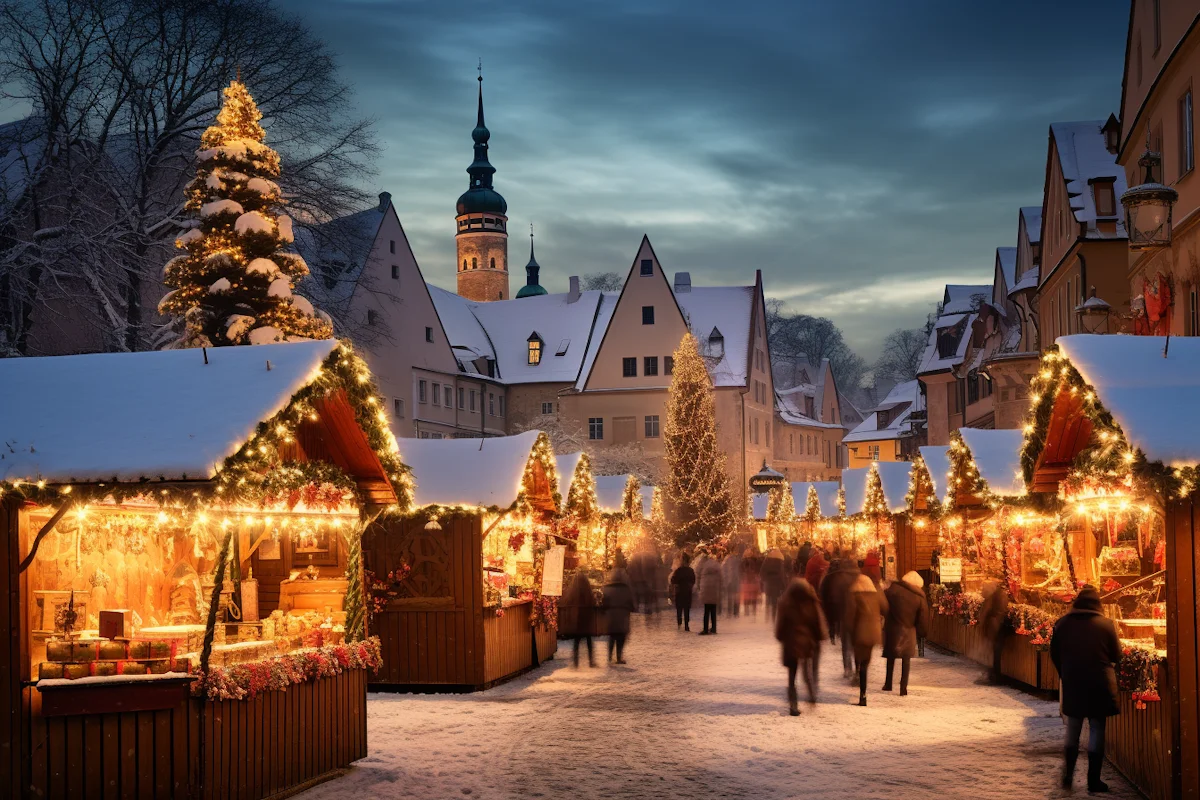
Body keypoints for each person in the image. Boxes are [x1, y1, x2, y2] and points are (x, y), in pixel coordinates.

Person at [1051, 586, 1121, 793]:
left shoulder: (1062, 624)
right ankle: (1094, 780)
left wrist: (1066, 673)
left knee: (1073, 730)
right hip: (1100, 684)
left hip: (1074, 683)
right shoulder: (1106, 625)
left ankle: (1067, 776)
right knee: (1097, 729)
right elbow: (1116, 655)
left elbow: (1054, 654)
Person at [774, 577, 828, 716]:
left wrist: (781, 637)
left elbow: (780, 625)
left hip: (791, 643)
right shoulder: (811, 602)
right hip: (807, 642)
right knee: (807, 670)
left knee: (792, 676)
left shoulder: (785, 603)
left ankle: (793, 704)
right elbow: (817, 622)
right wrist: (819, 637)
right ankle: (812, 695)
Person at [882, 571, 929, 696]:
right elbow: (922, 617)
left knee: (890, 657)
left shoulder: (891, 591)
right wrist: (922, 632)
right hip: (909, 630)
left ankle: (888, 683)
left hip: (892, 628)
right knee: (906, 659)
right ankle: (903, 688)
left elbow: (883, 606)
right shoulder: (919, 597)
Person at [844, 573, 887, 706]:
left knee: (862, 664)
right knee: (865, 663)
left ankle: (863, 695)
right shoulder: (877, 594)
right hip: (873, 633)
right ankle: (863, 692)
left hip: (859, 634)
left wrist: (850, 633)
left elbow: (849, 619)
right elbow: (886, 607)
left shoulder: (854, 596)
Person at [820, 555, 861, 679]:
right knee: (857, 643)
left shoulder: (837, 578)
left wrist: (831, 621)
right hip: (859, 615)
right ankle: (858, 669)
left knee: (846, 644)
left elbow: (831, 599)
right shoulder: (860, 577)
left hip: (844, 615)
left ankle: (847, 668)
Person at [559, 572, 597, 668]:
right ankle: (591, 661)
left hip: (578, 618)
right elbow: (592, 602)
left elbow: (568, 601)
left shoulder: (574, 591)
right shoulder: (587, 590)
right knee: (588, 641)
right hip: (586, 618)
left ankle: (576, 662)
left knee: (577, 641)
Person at [601, 568, 636, 664]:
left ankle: (609, 656)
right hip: (623, 615)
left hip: (611, 615)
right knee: (621, 636)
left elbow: (604, 602)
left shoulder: (606, 588)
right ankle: (619, 657)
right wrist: (631, 608)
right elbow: (631, 602)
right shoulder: (626, 588)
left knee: (612, 636)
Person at [979, 580, 1010, 684]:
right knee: (995, 652)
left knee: (993, 652)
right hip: (998, 626)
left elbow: (985, 612)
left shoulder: (992, 597)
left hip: (994, 627)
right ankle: (994, 675)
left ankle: (994, 675)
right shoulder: (1001, 594)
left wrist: (981, 624)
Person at [669, 552, 696, 630]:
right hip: (688, 591)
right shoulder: (690, 570)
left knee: (679, 608)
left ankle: (679, 623)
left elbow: (672, 580)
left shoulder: (678, 570)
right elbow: (693, 580)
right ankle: (686, 625)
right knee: (687, 609)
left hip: (679, 591)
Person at [761, 548, 787, 622]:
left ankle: (767, 615)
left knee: (768, 598)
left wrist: (764, 579)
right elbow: (782, 574)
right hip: (777, 583)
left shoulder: (767, 560)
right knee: (775, 601)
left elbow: (762, 571)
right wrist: (783, 584)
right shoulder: (780, 562)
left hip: (769, 583)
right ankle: (773, 616)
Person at [699, 554, 723, 634]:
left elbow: (700, 580)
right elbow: (721, 579)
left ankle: (705, 629)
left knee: (706, 611)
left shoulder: (704, 568)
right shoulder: (717, 567)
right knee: (713, 610)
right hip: (714, 591)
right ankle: (714, 628)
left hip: (706, 591)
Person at [740, 548, 762, 618]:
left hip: (747, 579)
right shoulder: (756, 560)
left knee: (747, 595)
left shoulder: (743, 561)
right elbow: (759, 569)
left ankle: (747, 611)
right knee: (754, 594)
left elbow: (741, 569)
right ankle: (753, 610)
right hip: (754, 579)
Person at [721, 549, 743, 617]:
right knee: (733, 597)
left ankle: (731, 612)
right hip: (734, 581)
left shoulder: (728, 560)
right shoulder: (736, 559)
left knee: (731, 597)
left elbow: (723, 570)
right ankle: (734, 612)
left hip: (732, 581)